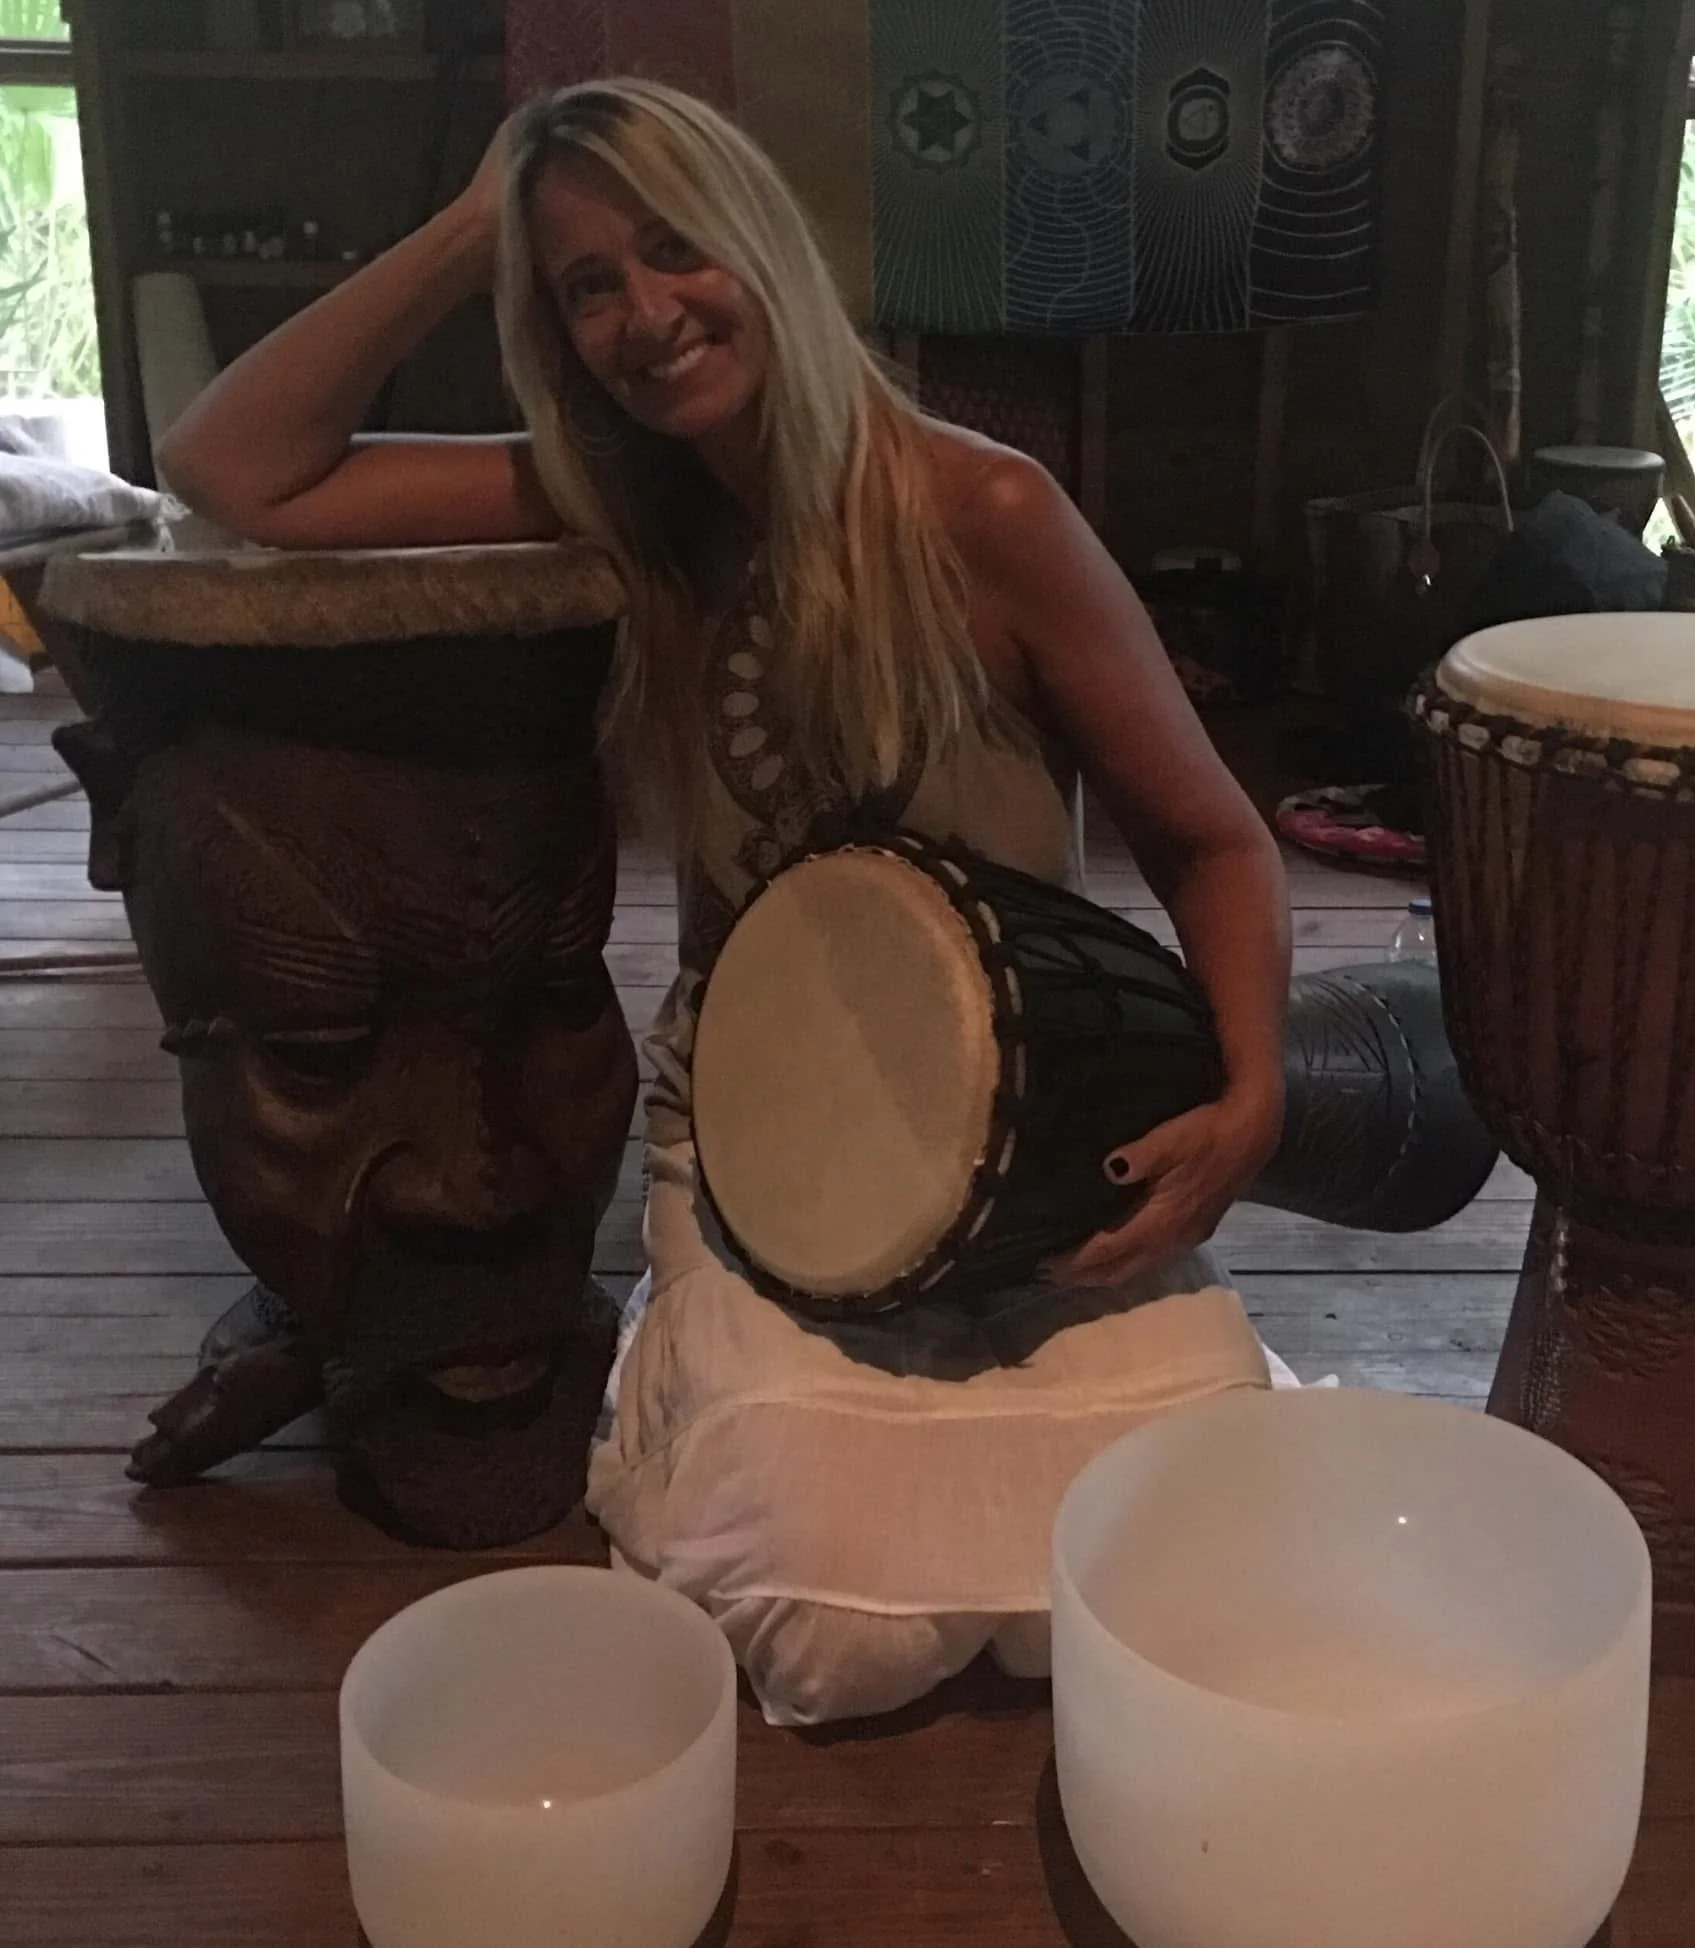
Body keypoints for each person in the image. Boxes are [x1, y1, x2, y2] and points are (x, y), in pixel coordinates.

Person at [157, 77, 1292, 1725]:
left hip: (1040, 1118)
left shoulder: (987, 516)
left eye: (674, 248)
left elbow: (1215, 842)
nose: (644, 313)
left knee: (1204, 1546)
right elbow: (232, 468)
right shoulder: (625, 511)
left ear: (761, 238)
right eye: (586, 286)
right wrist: (478, 222)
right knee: (835, 1628)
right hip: (765, 1142)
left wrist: (1252, 1100)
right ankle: (734, 1378)